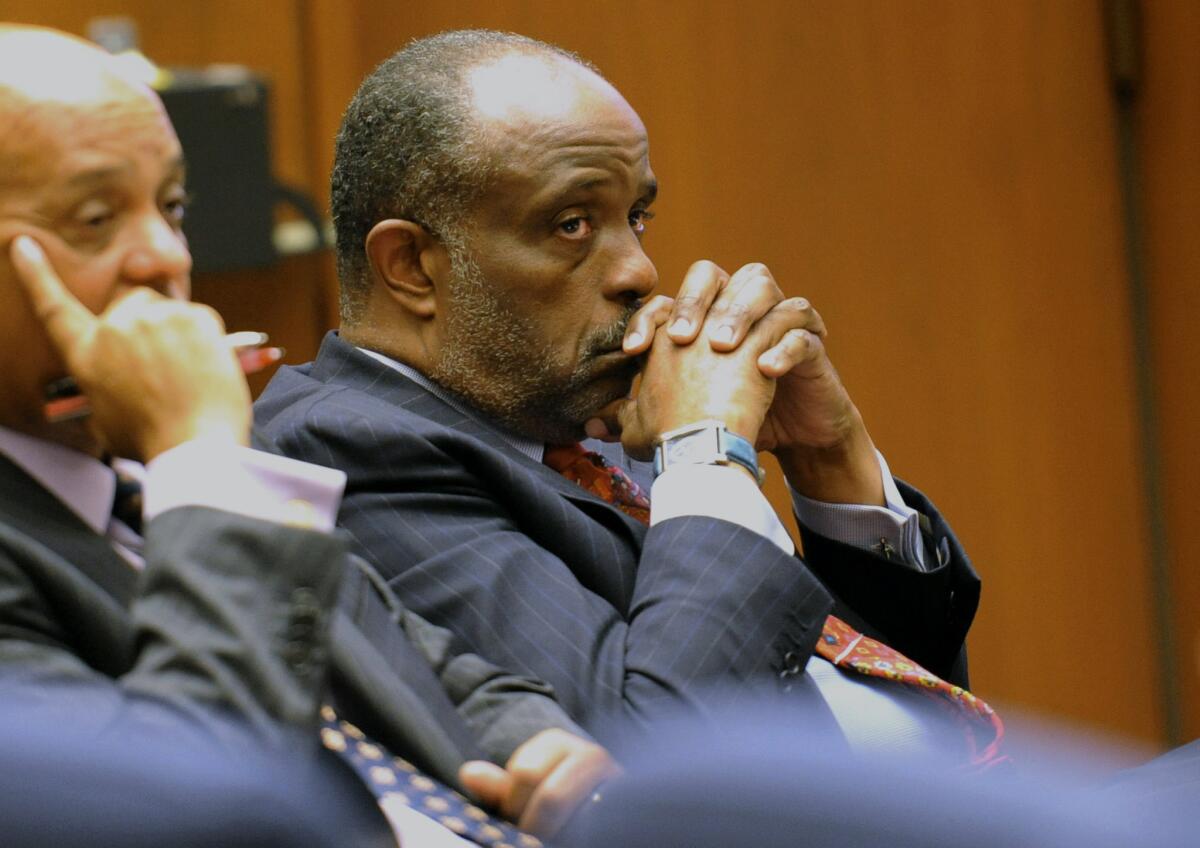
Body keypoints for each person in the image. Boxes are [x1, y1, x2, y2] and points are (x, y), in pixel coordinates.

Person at [255, 29, 983, 758]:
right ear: (412, 266)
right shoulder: (347, 454)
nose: (639, 270)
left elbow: (904, 696)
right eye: (571, 224)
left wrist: (832, 465)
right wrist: (705, 453)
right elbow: (650, 772)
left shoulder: (581, 416)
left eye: (636, 217)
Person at [0, 24, 616, 847]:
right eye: (94, 218)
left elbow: (424, 662)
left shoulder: (155, 469)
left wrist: (536, 741)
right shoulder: (197, 465)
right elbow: (196, 812)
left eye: (172, 207)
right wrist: (204, 461)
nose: (164, 257)